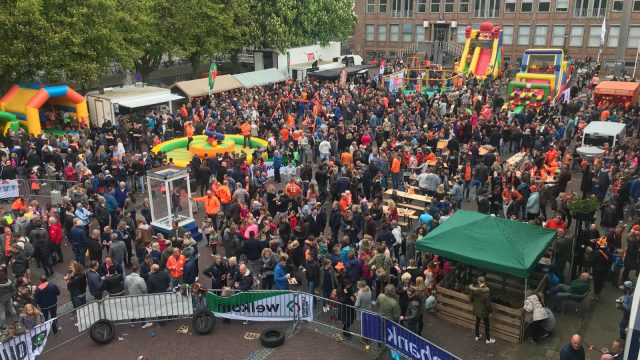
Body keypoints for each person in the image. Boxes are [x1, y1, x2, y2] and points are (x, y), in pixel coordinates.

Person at [468, 277, 495, 344]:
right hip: (484, 311)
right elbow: (488, 304)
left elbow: (470, 298)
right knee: (486, 324)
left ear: (478, 282)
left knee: (477, 322)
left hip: (477, 309)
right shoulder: (486, 292)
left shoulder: (474, 289)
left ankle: (477, 336)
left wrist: (476, 302)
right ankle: (488, 339)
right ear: (484, 282)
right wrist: (491, 311)